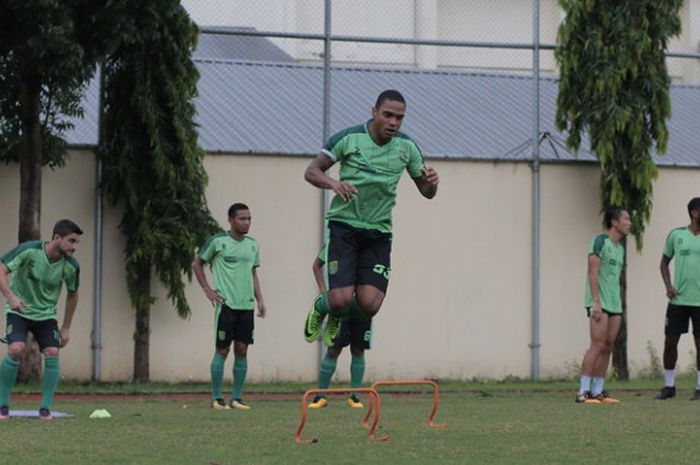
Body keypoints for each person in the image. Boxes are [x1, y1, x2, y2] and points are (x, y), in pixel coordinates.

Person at [302, 89, 439, 347]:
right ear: (374, 112)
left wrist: (432, 183)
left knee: (370, 304)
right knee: (340, 298)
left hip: (378, 232)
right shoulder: (349, 139)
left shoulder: (407, 148)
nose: (393, 123)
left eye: (399, 118)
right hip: (345, 227)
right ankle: (326, 307)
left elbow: (427, 192)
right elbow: (311, 171)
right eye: (388, 115)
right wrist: (334, 184)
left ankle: (337, 312)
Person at [0, 219, 83, 421]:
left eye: (77, 243)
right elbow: (1, 269)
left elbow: (73, 294)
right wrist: (11, 298)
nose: (74, 247)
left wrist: (66, 328)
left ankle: (45, 409)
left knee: (53, 351)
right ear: (56, 238)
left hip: (46, 316)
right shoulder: (29, 250)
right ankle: (3, 406)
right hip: (19, 311)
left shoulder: (71, 266)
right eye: (71, 241)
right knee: (16, 348)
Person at [193, 203, 266, 410]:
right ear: (231, 220)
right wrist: (208, 289)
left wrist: (260, 299)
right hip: (226, 305)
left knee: (242, 349)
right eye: (242, 219)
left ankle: (236, 398)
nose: (247, 223)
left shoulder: (253, 245)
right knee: (222, 350)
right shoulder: (217, 242)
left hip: (246, 306)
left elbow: (253, 273)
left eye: (249, 219)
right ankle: (217, 398)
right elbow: (197, 263)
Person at [576, 206, 631, 404]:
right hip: (599, 302)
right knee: (597, 345)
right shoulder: (600, 241)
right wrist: (596, 302)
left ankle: (597, 391)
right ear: (614, 222)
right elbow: (592, 272)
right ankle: (583, 392)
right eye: (626, 219)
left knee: (608, 346)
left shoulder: (620, 248)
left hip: (615, 304)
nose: (629, 223)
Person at [308, 243, 370, 409]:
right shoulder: (333, 243)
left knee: (358, 349)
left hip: (361, 307)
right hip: (340, 306)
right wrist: (324, 291)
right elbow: (316, 265)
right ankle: (320, 396)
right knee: (333, 349)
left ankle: (355, 396)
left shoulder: (367, 246)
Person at [654, 197, 700, 401]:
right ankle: (669, 386)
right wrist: (668, 286)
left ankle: (699, 388)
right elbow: (664, 263)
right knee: (670, 342)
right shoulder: (676, 235)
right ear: (694, 212)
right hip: (678, 302)